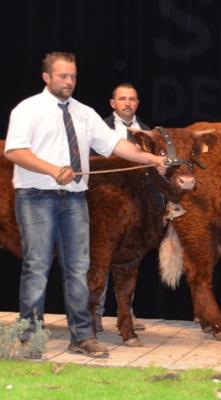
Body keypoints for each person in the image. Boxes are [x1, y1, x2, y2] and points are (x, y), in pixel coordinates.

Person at [4, 51, 167, 358]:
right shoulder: (28, 109)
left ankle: (81, 336)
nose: (69, 82)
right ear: (47, 77)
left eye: (74, 76)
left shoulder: (84, 113)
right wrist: (52, 170)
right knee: (37, 267)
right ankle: (29, 338)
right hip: (36, 197)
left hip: (75, 199)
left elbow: (115, 145)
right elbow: (14, 151)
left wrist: (150, 158)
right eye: (63, 76)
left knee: (79, 268)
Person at [94, 83, 150, 332]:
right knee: (100, 259)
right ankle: (94, 314)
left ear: (137, 103)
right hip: (103, 207)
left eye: (132, 99)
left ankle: (127, 314)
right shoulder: (98, 129)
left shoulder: (149, 133)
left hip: (134, 208)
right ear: (112, 103)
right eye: (122, 99)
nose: (127, 103)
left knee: (128, 260)